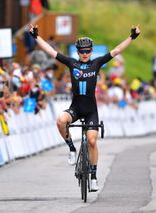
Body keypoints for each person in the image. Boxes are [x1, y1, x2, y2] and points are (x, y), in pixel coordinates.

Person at [29, 24, 141, 191]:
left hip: (91, 111)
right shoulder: (71, 63)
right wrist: (36, 36)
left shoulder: (97, 63)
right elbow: (50, 52)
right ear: (77, 52)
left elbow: (116, 51)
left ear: (92, 51)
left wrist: (132, 37)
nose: (85, 54)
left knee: (92, 141)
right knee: (60, 120)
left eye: (88, 51)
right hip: (75, 107)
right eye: (82, 51)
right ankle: (72, 149)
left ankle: (94, 176)